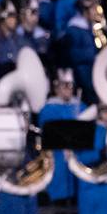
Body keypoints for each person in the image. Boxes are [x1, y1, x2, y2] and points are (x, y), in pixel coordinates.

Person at [38, 68, 85, 202]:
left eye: (70, 86)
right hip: (57, 154)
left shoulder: (80, 106)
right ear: (57, 88)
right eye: (64, 86)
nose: (67, 90)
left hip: (77, 153)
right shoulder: (49, 108)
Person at [62, 0, 104, 104]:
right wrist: (95, 56)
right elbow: (73, 56)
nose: (96, 11)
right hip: (81, 79)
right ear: (85, 10)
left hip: (91, 77)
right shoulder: (74, 29)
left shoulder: (91, 28)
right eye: (93, 7)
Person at [0, 0, 28, 86]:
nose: (14, 19)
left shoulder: (22, 41)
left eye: (15, 16)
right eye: (11, 16)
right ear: (1, 18)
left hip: (19, 87)